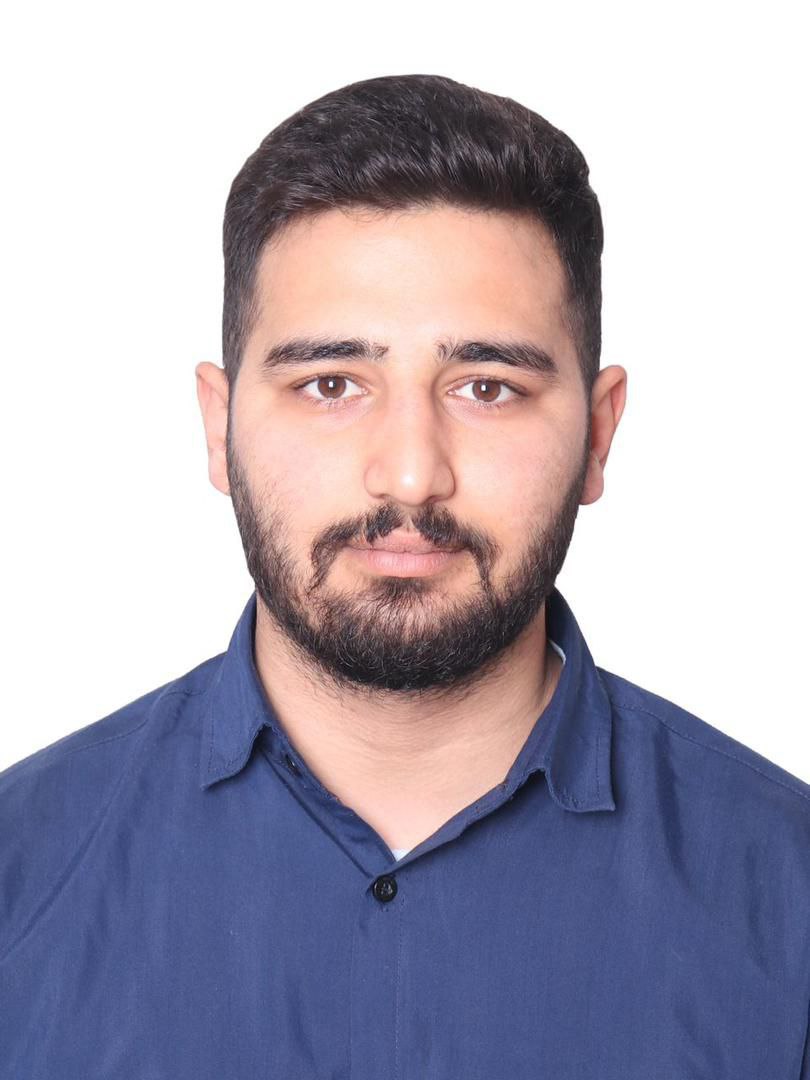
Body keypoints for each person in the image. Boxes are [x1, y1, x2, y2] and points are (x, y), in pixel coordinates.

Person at [1, 73, 808, 1079]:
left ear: (598, 435)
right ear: (220, 428)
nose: (413, 473)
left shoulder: (789, 901)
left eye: (487, 388)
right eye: (332, 384)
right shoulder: (20, 873)